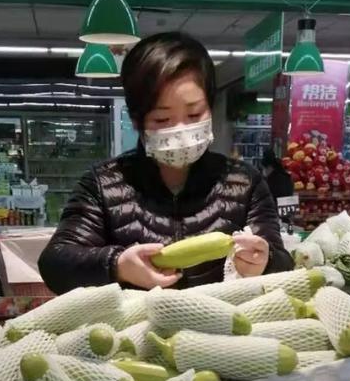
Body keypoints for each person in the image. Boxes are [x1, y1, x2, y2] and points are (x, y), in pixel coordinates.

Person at [39, 32, 293, 294]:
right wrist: (117, 265)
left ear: (210, 107)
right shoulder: (103, 185)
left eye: (194, 114)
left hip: (223, 319)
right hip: (135, 321)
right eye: (162, 119)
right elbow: (55, 264)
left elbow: (283, 264)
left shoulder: (245, 183)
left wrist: (265, 262)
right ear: (137, 121)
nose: (181, 129)